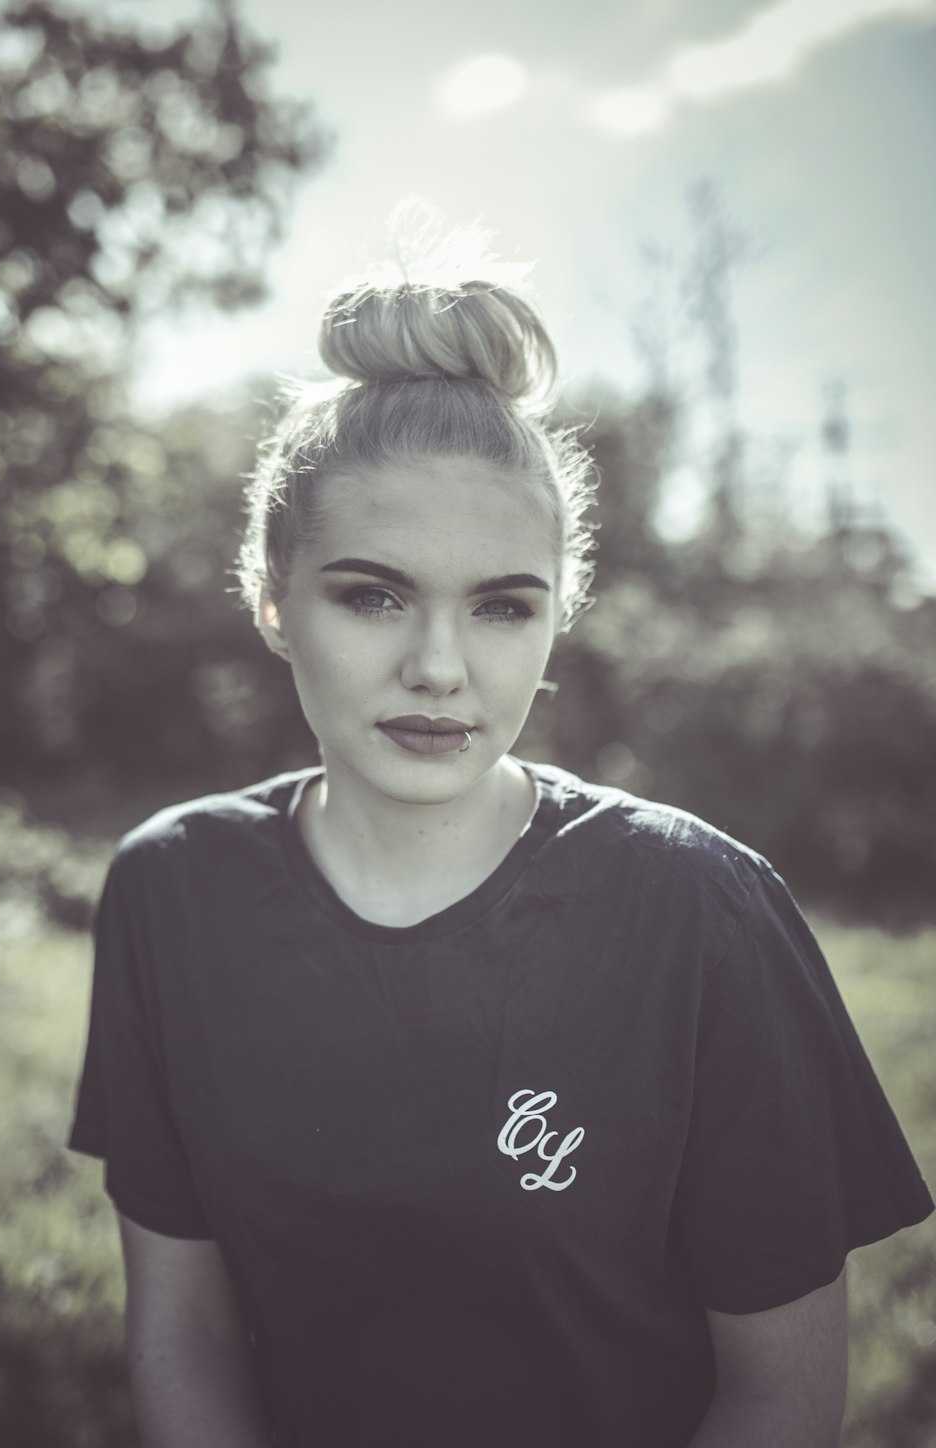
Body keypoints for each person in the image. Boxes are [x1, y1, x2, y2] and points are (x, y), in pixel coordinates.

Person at [68, 224, 933, 1448]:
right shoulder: (170, 890)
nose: (437, 666)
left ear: (555, 614)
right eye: (371, 594)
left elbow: (779, 1395)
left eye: (500, 605)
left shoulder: (703, 913)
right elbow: (182, 1333)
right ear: (270, 597)